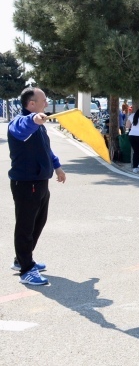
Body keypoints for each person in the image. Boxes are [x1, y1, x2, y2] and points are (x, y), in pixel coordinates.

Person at [8, 87, 66, 286]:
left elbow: (46, 149)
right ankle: (26, 270)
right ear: (31, 104)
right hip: (26, 183)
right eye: (43, 100)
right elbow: (23, 125)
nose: (47, 103)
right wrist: (33, 119)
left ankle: (22, 259)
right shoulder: (19, 122)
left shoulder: (40, 126)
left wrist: (57, 167)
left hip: (40, 181)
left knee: (38, 223)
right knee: (25, 226)